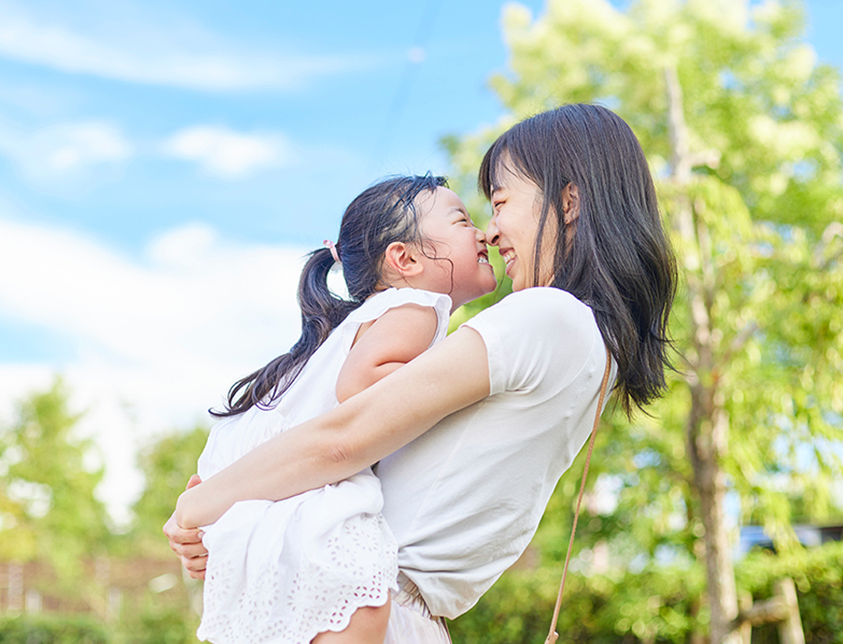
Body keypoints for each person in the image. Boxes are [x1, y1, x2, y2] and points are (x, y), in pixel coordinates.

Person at [166, 104, 677, 643]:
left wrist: (198, 505)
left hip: (357, 604)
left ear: (568, 200)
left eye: (500, 202)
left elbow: (344, 437)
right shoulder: (590, 342)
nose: (492, 229)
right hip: (382, 610)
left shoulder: (549, 316)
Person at [191, 174, 497, 644]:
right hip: (304, 480)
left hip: (257, 476)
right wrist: (454, 393)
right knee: (361, 589)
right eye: (462, 220)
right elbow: (361, 383)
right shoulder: (419, 306)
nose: (483, 233)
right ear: (406, 258)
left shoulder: (369, 316)